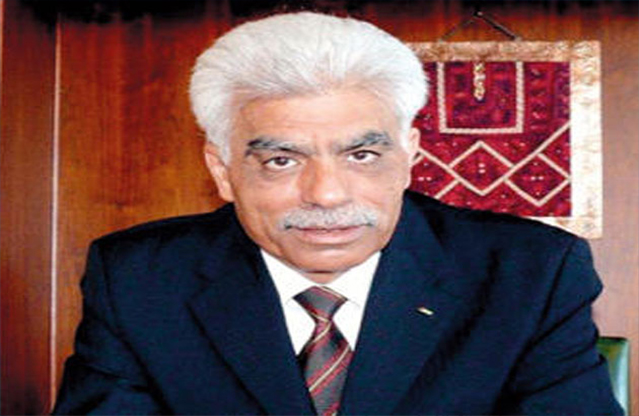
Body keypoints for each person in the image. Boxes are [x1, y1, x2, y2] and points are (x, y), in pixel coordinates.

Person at [53, 11, 622, 416]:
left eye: (362, 155)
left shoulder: (530, 274)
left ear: (409, 157)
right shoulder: (140, 279)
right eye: (281, 160)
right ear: (222, 170)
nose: (326, 195)